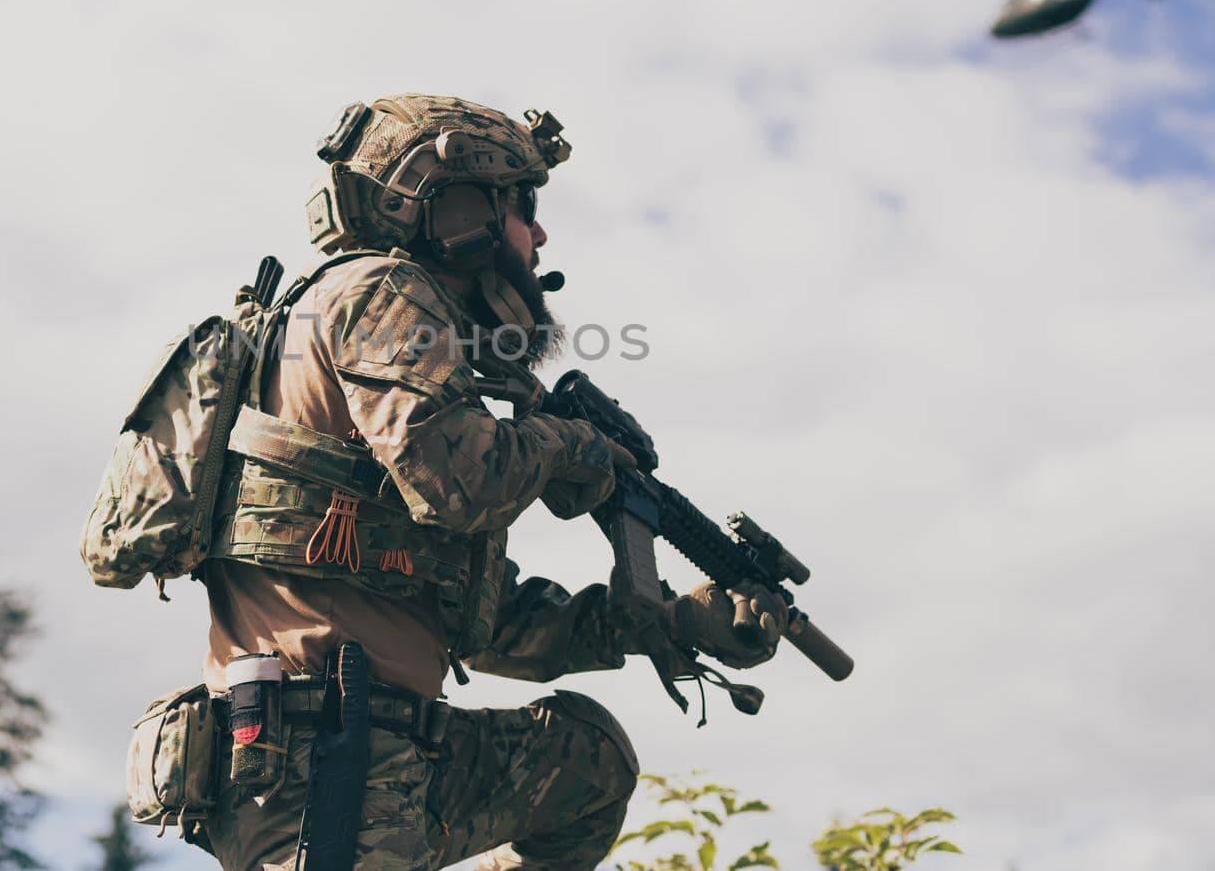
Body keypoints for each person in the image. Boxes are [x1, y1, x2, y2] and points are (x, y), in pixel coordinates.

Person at [176, 95, 785, 870]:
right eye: (523, 207)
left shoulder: (360, 343)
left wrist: (670, 622)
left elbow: (483, 623)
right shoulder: (377, 292)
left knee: (586, 758)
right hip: (320, 771)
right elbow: (459, 481)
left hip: (379, 755)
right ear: (460, 211)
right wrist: (569, 445)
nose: (539, 235)